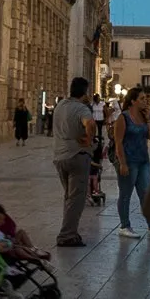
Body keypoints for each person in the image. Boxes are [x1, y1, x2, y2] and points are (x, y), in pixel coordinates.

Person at [112, 86, 150, 239]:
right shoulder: (123, 118)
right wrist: (122, 163)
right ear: (133, 101)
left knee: (146, 194)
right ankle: (125, 226)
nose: (145, 101)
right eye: (141, 99)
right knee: (125, 194)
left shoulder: (144, 116)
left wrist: (148, 119)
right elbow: (118, 142)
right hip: (129, 160)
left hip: (143, 161)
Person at [53, 77, 96, 247]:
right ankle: (67, 235)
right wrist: (88, 138)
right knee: (76, 199)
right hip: (77, 156)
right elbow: (90, 124)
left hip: (59, 157)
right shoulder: (81, 108)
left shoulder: (60, 106)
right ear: (84, 92)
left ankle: (69, 231)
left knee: (69, 197)